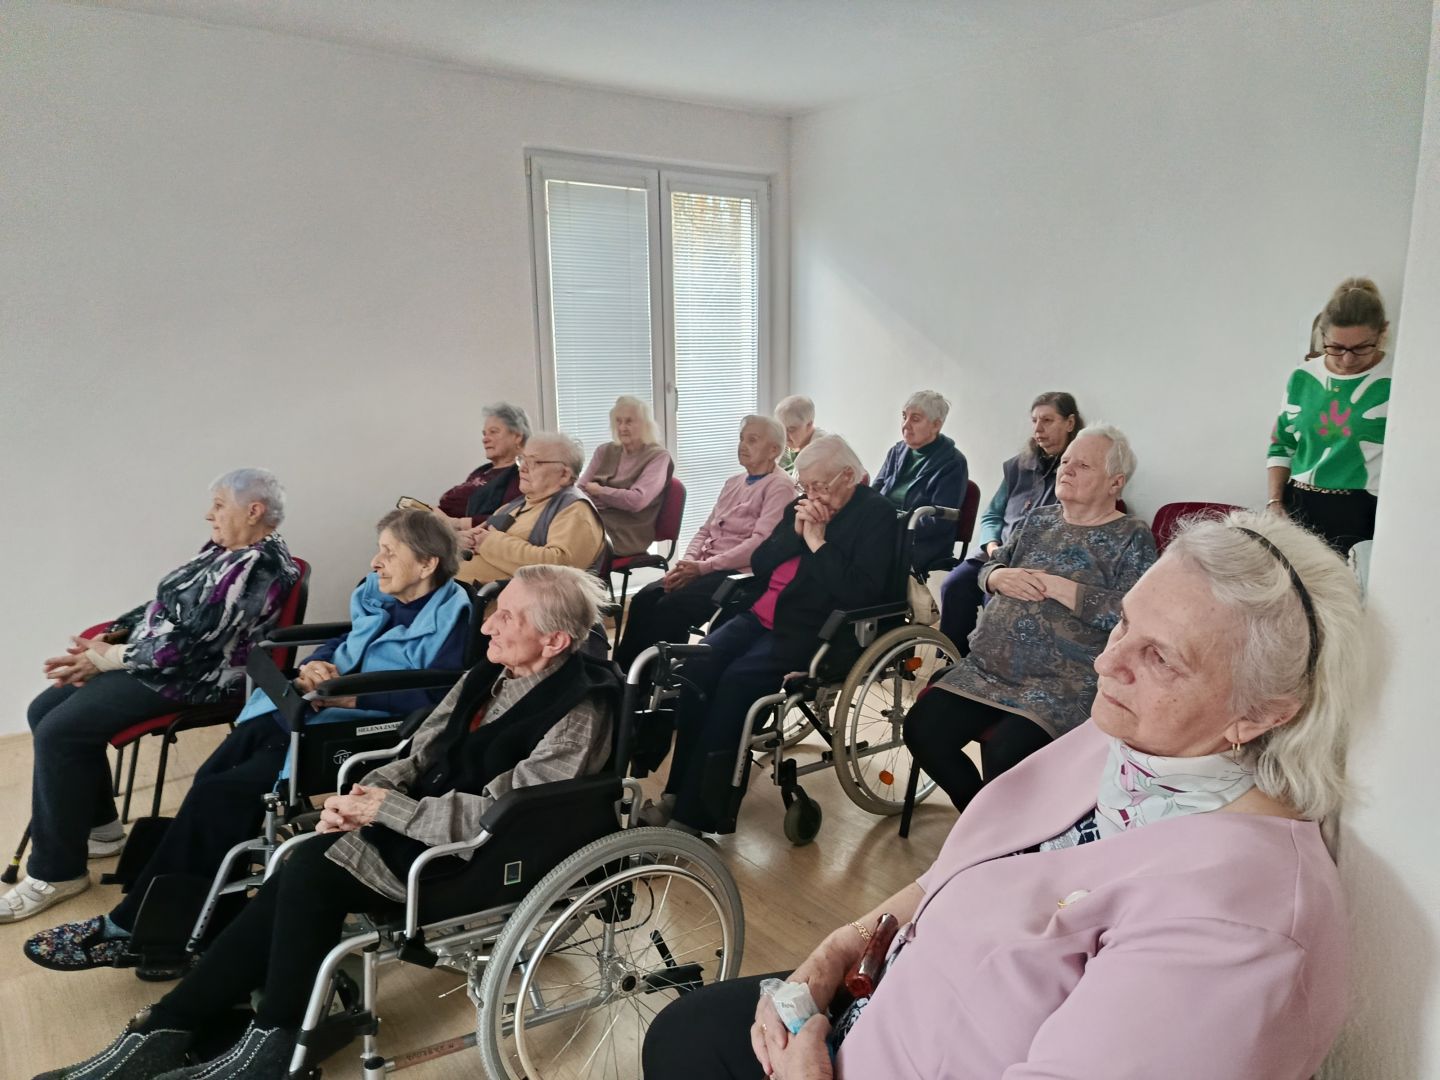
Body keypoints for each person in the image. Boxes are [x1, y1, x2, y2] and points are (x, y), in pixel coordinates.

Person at [644, 510, 1364, 1080]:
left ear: (1262, 713)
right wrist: (836, 949)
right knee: (684, 1032)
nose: (1106, 662)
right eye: (1123, 623)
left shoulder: (1242, 927)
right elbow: (953, 874)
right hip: (886, 996)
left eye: (1161, 658)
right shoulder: (1125, 739)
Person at [35, 565, 621, 1080]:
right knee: (297, 860)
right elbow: (419, 753)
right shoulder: (486, 676)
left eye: (508, 617)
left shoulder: (577, 710)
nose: (488, 625)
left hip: (480, 858)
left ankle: (241, 1035)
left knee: (312, 870)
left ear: (554, 640)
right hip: (421, 826)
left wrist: (384, 809)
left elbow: (503, 814)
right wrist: (365, 795)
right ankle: (186, 1028)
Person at [23, 509, 470, 973]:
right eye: (378, 550)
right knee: (210, 778)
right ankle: (188, 910)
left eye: (389, 553)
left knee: (223, 796)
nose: (376, 562)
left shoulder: (453, 616)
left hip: (354, 731)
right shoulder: (377, 595)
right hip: (309, 708)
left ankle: (132, 927)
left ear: (427, 563)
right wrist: (316, 665)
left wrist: (349, 695)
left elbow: (440, 695)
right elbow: (344, 641)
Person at [2, 470, 301, 925]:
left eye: (219, 505)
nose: (209, 514)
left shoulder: (258, 568)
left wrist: (108, 658)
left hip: (198, 678)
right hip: (163, 664)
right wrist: (114, 633)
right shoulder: (224, 551)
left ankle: (56, 872)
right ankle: (102, 830)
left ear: (254, 510)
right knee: (43, 710)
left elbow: (188, 647)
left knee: (60, 732)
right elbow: (165, 605)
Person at [648, 436, 897, 833]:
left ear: (848, 476)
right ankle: (676, 793)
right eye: (805, 485)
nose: (811, 494)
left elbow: (860, 591)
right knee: (696, 669)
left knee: (735, 684)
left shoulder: (876, 515)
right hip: (759, 615)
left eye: (819, 485)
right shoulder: (800, 506)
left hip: (813, 630)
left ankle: (697, 814)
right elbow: (762, 563)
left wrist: (817, 543)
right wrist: (794, 534)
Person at [905, 426, 1156, 813]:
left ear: (1115, 482)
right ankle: (983, 824)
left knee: (1006, 755)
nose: (1066, 469)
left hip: (1062, 684)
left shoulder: (1131, 536)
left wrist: (1063, 588)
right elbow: (991, 565)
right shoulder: (1038, 520)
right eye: (1066, 461)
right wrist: (996, 577)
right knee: (922, 729)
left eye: (1083, 465)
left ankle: (1001, 833)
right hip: (989, 669)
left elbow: (1135, 615)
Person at [613, 415, 796, 673]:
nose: (742, 445)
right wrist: (687, 563)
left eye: (752, 440)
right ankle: (622, 676)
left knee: (670, 606)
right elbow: (705, 529)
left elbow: (759, 544)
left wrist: (702, 568)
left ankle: (654, 682)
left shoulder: (780, 487)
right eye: (741, 439)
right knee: (644, 599)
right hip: (705, 566)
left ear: (774, 450)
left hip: (738, 575)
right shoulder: (733, 482)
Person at [938, 391, 1084, 652]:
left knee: (996, 598)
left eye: (1047, 420)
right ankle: (954, 658)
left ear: (1070, 423)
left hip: (1034, 564)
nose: (1038, 429)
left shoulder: (1077, 473)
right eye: (1034, 421)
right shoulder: (1019, 466)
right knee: (954, 585)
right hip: (996, 553)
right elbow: (992, 515)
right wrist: (992, 546)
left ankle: (988, 662)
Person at [1267, 277, 1391, 554]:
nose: (1348, 359)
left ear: (1382, 332)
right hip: (1299, 505)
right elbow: (1282, 444)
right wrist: (1275, 502)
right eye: (1336, 347)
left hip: (1364, 510)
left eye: (1361, 347)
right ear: (1322, 335)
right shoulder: (1302, 377)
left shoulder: (1397, 378)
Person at [456, 431, 607, 585]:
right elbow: (481, 536)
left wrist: (490, 543)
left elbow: (560, 568)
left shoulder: (575, 511)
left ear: (564, 475)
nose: (522, 468)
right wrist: (465, 540)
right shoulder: (513, 505)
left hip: (501, 597)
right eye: (522, 459)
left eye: (534, 462)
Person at [871, 390, 968, 572]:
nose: (905, 425)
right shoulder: (896, 452)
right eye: (904, 416)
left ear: (936, 425)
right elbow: (874, 493)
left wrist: (892, 528)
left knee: (863, 555)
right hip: (884, 531)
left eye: (915, 419)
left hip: (921, 544)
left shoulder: (953, 463)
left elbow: (939, 521)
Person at [579, 395, 674, 557]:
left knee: (571, 538)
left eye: (629, 421)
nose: (622, 427)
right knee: (557, 527)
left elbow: (637, 501)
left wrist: (600, 492)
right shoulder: (604, 451)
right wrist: (612, 500)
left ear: (645, 424)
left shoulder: (658, 456)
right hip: (597, 519)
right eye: (618, 421)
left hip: (628, 532)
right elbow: (581, 490)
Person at [433, 401, 529, 528]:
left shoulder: (521, 473)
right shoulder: (483, 470)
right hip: (440, 526)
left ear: (517, 436)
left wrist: (456, 523)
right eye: (484, 434)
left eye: (493, 432)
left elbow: (509, 517)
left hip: (464, 534)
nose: (485, 439)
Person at [774, 395, 824, 479]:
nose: (785, 435)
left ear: (809, 424)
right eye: (782, 428)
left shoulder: (822, 450)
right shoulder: (791, 445)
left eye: (791, 429)